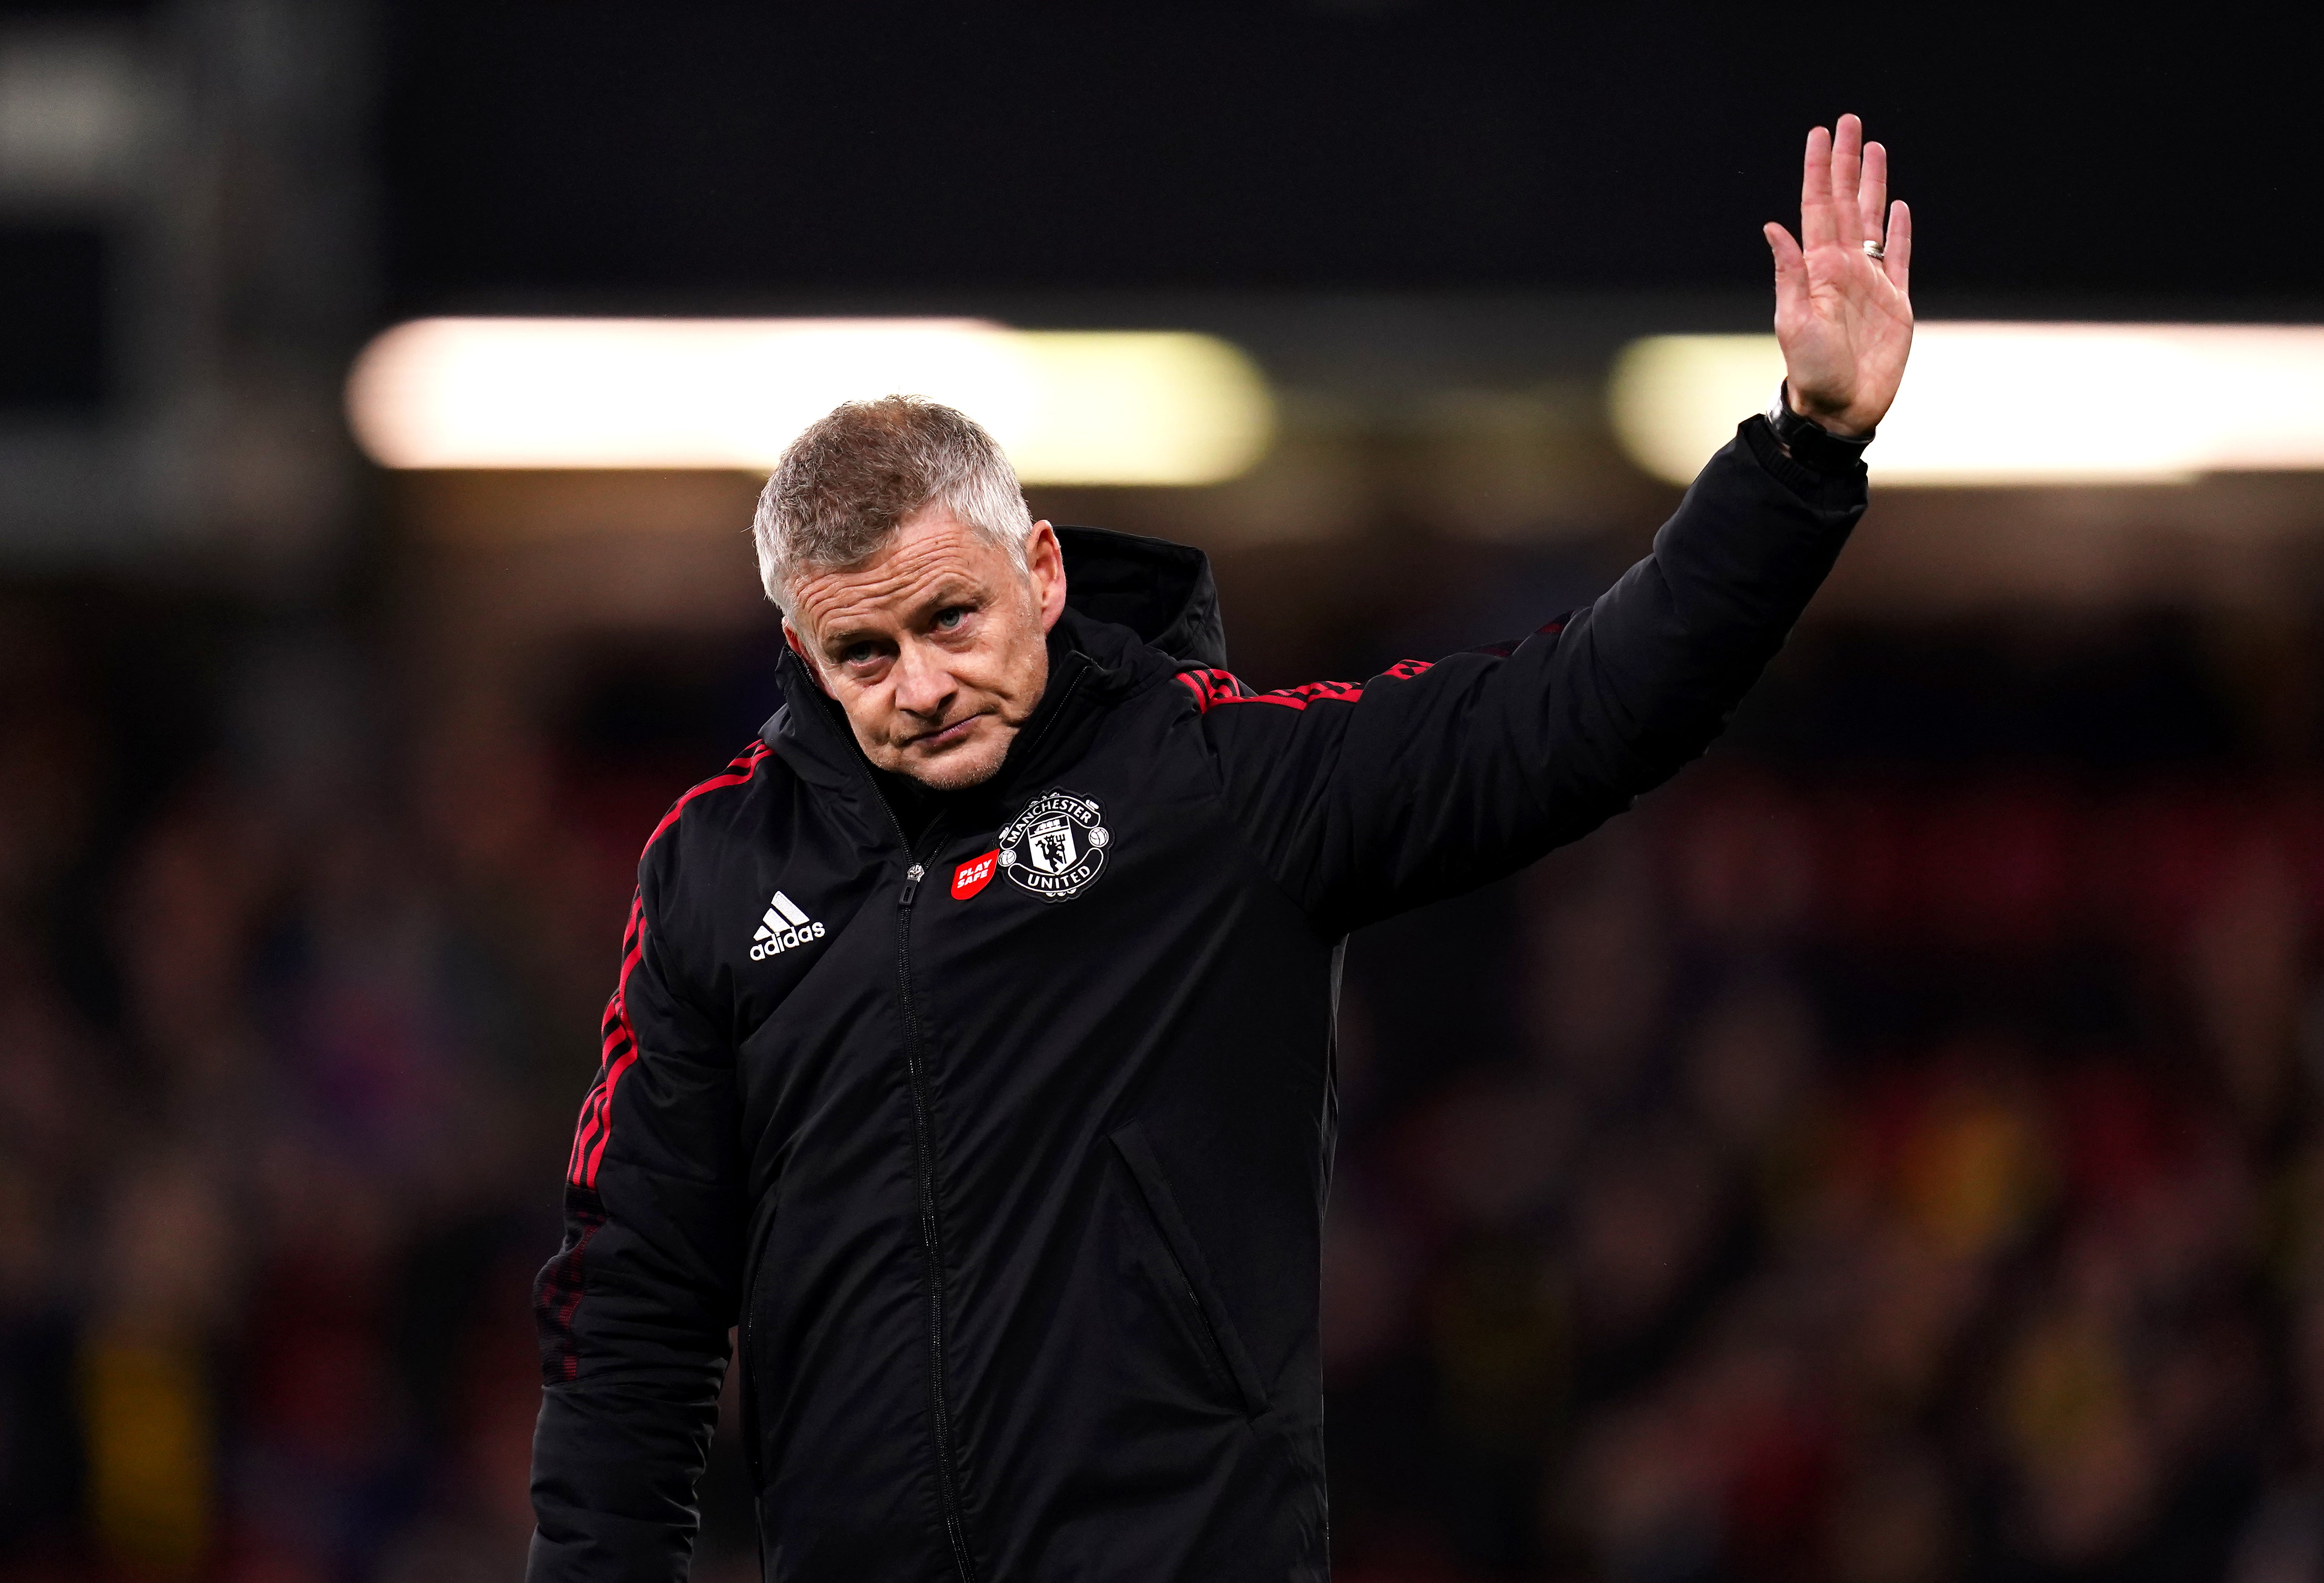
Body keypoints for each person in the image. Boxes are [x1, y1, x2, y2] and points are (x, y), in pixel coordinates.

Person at [527, 114, 1913, 1582]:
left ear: (1042, 571)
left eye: (950, 620)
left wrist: (1803, 451)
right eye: (861, 653)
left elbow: (1576, 713)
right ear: (798, 649)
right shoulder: (715, 874)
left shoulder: (1217, 787)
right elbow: (634, 1310)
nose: (919, 684)